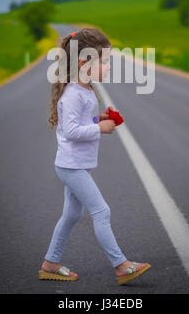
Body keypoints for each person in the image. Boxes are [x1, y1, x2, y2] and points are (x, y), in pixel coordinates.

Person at [39, 27, 150, 285]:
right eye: (105, 61)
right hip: (71, 167)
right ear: (83, 63)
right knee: (101, 211)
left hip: (77, 164)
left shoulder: (85, 90)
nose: (109, 67)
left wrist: (97, 118)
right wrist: (99, 128)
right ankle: (121, 266)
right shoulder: (73, 94)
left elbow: (79, 122)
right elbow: (71, 130)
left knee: (72, 215)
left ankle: (50, 263)